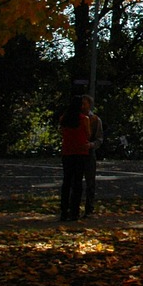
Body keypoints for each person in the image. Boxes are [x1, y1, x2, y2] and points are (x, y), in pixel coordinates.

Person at [59, 94, 90, 222]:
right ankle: (74, 211)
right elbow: (88, 133)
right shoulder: (84, 119)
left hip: (67, 151)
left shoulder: (64, 118)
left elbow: (61, 132)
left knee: (66, 181)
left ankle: (63, 211)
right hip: (81, 151)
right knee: (77, 182)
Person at [81, 95, 103, 217]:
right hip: (79, 152)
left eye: (84, 103)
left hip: (89, 153)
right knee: (76, 181)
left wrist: (91, 145)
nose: (82, 106)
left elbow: (99, 139)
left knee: (90, 182)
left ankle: (89, 208)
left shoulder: (95, 120)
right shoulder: (77, 118)